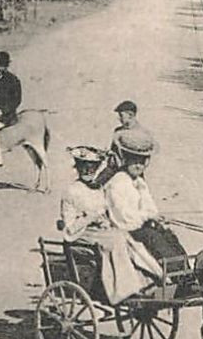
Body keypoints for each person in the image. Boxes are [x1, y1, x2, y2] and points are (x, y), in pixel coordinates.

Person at [57, 145, 157, 303]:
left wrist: (104, 221)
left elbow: (105, 212)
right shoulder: (72, 191)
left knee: (128, 238)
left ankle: (144, 281)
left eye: (92, 168)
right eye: (84, 168)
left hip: (99, 232)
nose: (88, 172)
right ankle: (121, 290)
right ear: (77, 168)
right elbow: (69, 228)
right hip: (80, 236)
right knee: (115, 240)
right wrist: (91, 217)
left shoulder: (98, 189)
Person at [103, 128, 186, 284]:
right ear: (126, 159)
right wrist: (147, 216)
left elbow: (150, 205)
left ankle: (185, 274)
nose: (139, 165)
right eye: (135, 160)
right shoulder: (117, 183)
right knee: (153, 237)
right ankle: (175, 277)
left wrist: (156, 217)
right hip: (125, 232)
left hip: (141, 227)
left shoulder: (139, 183)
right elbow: (124, 218)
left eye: (143, 161)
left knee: (168, 235)